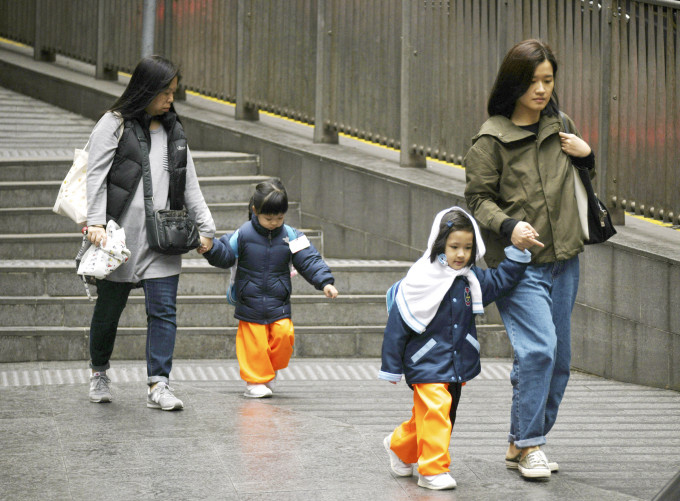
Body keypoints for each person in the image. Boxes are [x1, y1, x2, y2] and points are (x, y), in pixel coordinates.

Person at [464, 39, 594, 479]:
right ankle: (532, 444)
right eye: (533, 81)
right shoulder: (490, 139)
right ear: (514, 82)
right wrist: (509, 227)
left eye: (548, 80)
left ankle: (522, 442)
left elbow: (578, 183)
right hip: (519, 266)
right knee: (538, 350)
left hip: (565, 261)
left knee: (557, 360)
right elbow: (478, 200)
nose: (541, 89)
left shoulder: (561, 125)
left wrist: (588, 156)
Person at [85, 56, 215, 411]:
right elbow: (95, 175)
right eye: (165, 92)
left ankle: (159, 384)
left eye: (173, 92)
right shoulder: (114, 123)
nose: (171, 99)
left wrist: (206, 227)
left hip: (164, 239)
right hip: (118, 241)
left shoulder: (174, 129)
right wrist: (95, 222)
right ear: (145, 89)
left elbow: (189, 182)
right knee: (108, 312)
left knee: (164, 313)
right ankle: (99, 372)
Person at [379, 207, 534, 490]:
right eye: (454, 247)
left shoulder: (470, 278)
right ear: (439, 245)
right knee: (437, 409)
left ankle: (399, 445)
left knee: (438, 416)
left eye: (467, 247)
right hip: (424, 361)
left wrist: (518, 255)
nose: (461, 254)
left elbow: (499, 283)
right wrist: (391, 367)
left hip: (456, 361)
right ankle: (432, 471)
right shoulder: (419, 279)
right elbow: (397, 325)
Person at [200, 178, 338, 398]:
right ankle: (255, 381)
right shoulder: (243, 234)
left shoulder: (292, 235)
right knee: (253, 343)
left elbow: (309, 259)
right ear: (255, 211)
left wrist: (326, 282)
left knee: (284, 335)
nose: (274, 222)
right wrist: (209, 248)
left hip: (278, 300)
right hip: (250, 299)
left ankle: (267, 371)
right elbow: (224, 254)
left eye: (280, 218)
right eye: (268, 218)